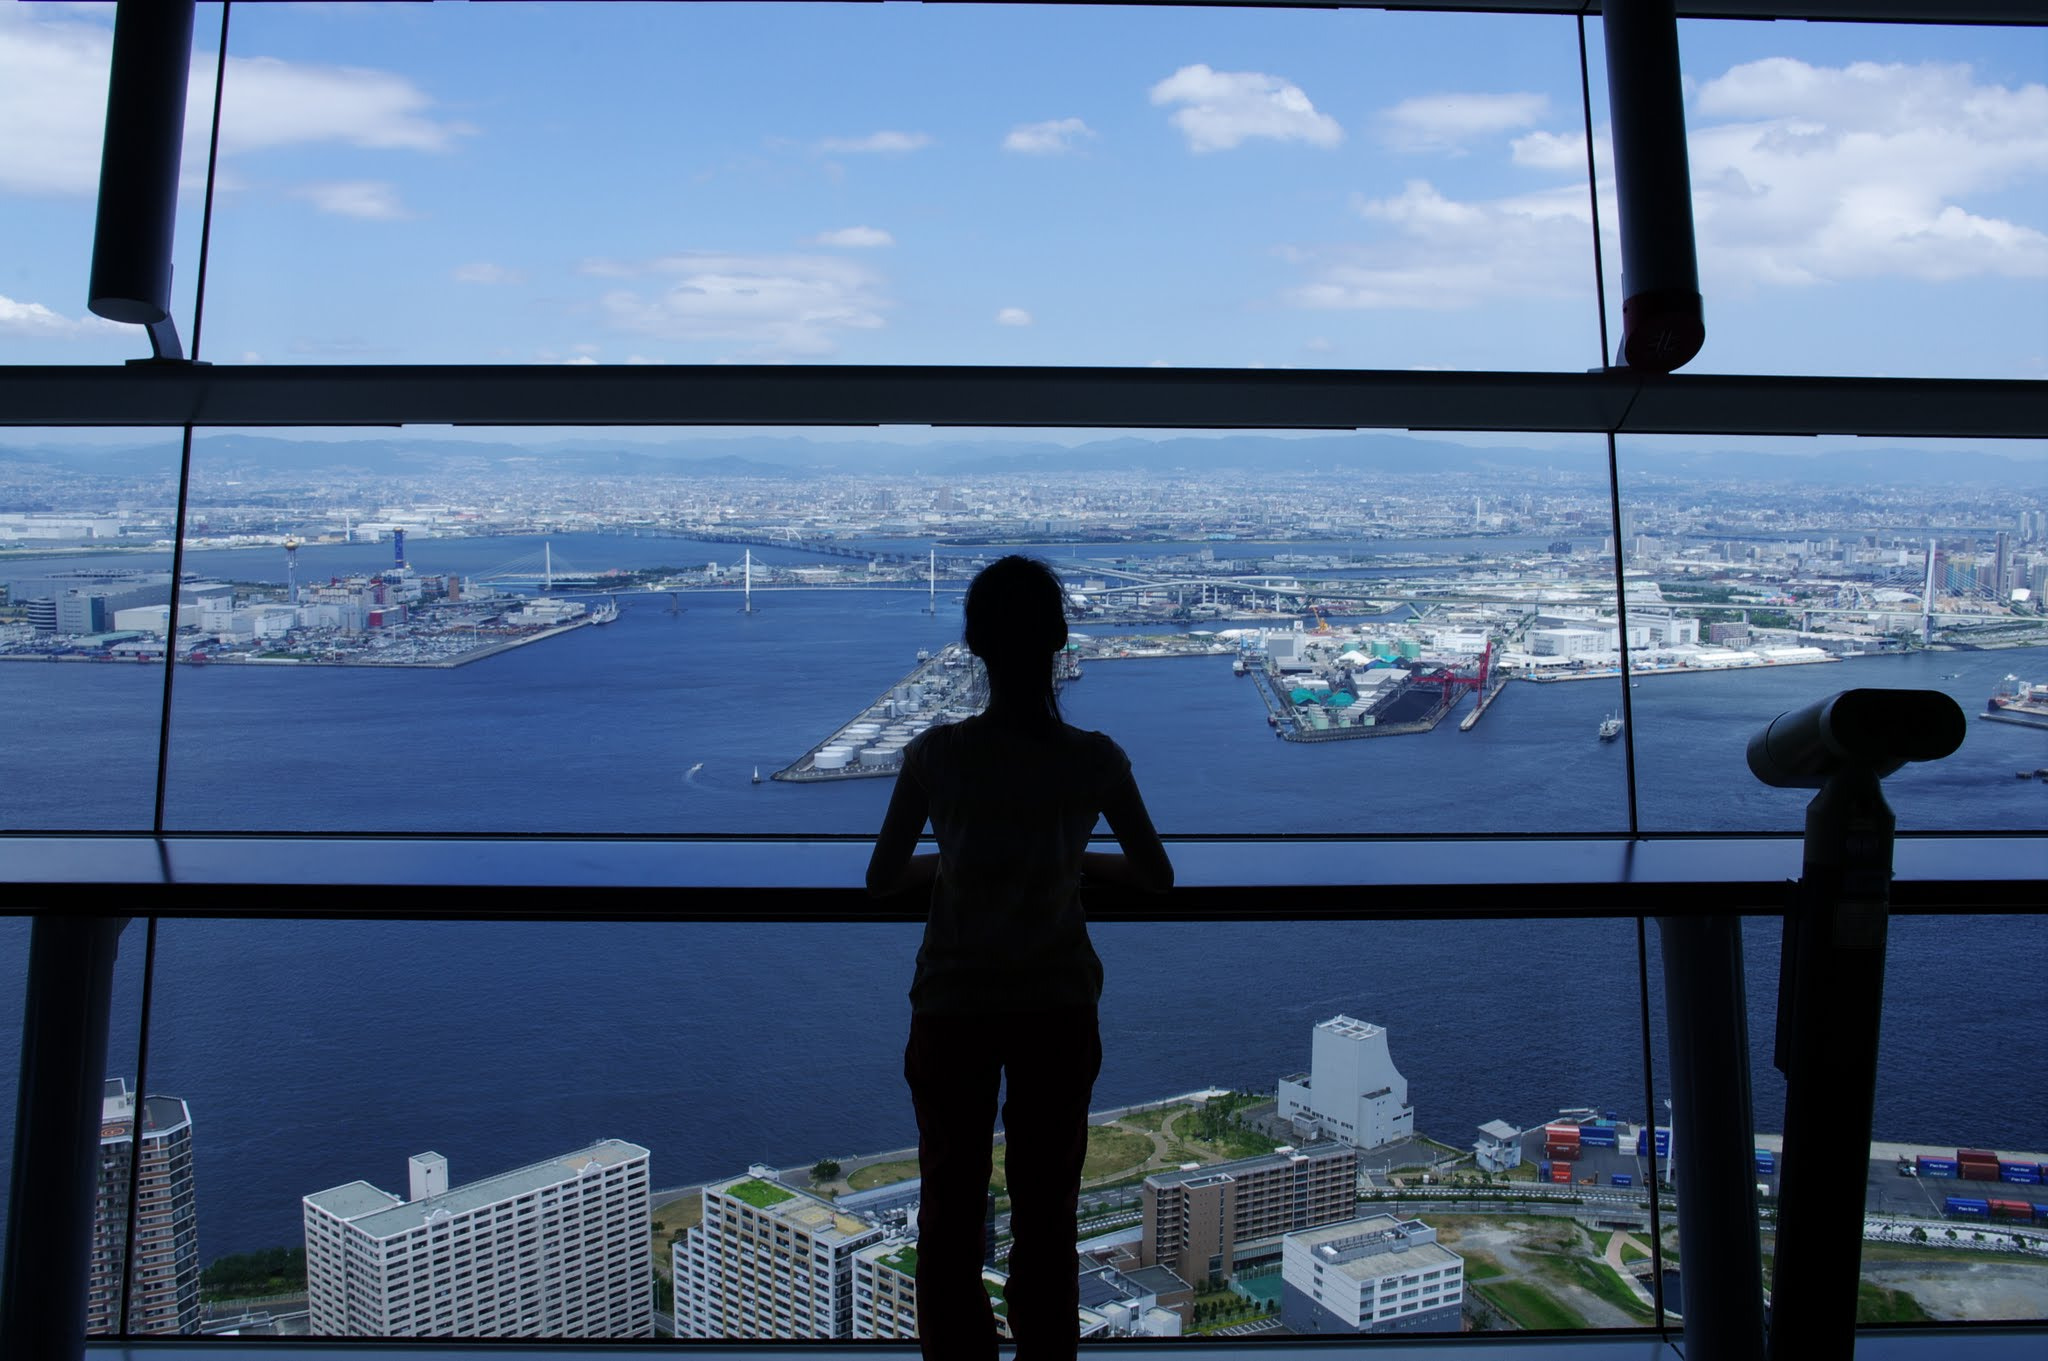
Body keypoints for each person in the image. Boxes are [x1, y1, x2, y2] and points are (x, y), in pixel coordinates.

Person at [867, 554, 1173, 1361]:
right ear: (1061, 642)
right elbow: (1154, 874)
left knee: (949, 1211)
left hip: (953, 1006)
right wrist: (1066, 861)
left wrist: (965, 860)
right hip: (1055, 1006)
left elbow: (882, 876)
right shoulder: (1094, 758)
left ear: (972, 646)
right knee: (1048, 1216)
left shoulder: (936, 756)